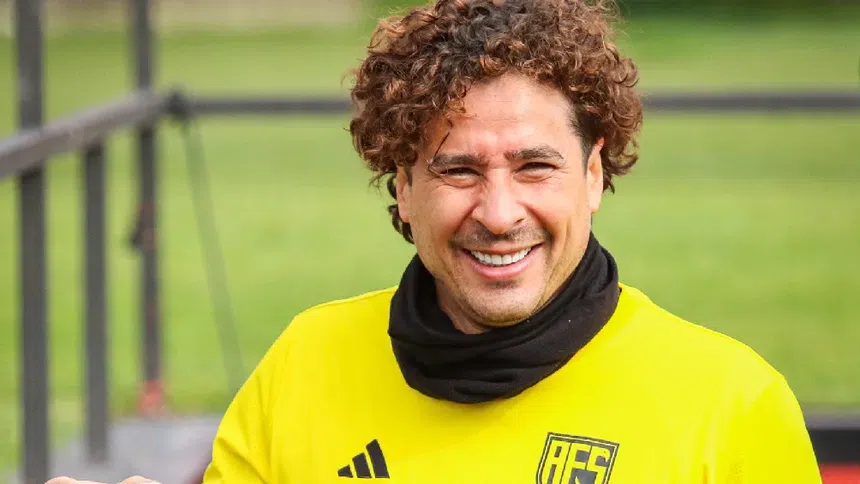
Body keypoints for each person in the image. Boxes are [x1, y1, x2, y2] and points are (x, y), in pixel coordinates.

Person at [48, 0, 823, 483]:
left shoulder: (731, 404)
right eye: (458, 169)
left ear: (593, 175)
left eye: (535, 166)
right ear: (403, 189)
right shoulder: (304, 365)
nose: (499, 211)